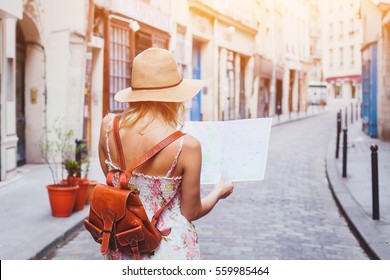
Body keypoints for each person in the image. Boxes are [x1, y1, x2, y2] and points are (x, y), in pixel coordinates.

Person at [98, 48, 234, 260]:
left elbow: (115, 183)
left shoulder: (108, 127)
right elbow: (191, 212)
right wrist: (218, 192)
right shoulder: (187, 145)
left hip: (123, 244)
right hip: (168, 248)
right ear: (175, 97)